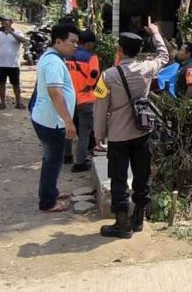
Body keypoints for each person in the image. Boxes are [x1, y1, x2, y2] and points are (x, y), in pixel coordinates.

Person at [94, 19, 168, 238]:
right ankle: (139, 220)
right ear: (138, 51)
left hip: (117, 136)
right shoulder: (147, 68)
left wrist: (99, 136)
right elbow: (164, 56)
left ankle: (122, 224)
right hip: (142, 131)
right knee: (141, 176)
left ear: (120, 50)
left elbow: (100, 108)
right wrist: (155, 33)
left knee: (118, 179)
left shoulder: (107, 76)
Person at [31, 23, 79, 212]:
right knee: (53, 161)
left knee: (51, 159)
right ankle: (48, 202)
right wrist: (68, 121)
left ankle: (50, 191)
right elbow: (55, 93)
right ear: (58, 41)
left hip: (47, 117)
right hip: (52, 121)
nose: (75, 45)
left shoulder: (53, 58)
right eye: (72, 41)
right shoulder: (53, 62)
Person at [65, 30, 100, 172]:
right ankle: (80, 162)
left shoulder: (67, 56)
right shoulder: (91, 57)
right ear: (89, 44)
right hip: (86, 99)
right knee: (84, 132)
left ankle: (66, 156)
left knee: (69, 128)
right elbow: (94, 74)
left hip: (69, 98)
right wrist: (88, 86)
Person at [0, 16, 29, 109]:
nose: (2, 23)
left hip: (14, 64)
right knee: (1, 83)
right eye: (1, 22)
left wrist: (11, 33)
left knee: (16, 84)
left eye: (4, 21)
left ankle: (18, 102)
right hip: (1, 64)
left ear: (11, 22)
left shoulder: (18, 32)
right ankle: (3, 103)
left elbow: (24, 40)